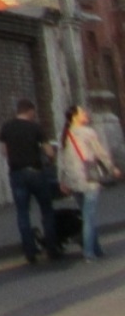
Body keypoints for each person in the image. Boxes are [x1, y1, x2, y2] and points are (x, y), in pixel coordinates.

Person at [0, 98, 59, 263]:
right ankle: (52, 249)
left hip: (17, 174)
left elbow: (4, 151)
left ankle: (30, 251)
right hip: (35, 173)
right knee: (46, 210)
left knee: (23, 213)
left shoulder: (7, 127)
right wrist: (47, 155)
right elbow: (49, 152)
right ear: (30, 111)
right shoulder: (35, 128)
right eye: (34, 112)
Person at [56, 104, 117, 261]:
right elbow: (100, 153)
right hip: (89, 179)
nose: (86, 113)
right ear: (75, 116)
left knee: (86, 215)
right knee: (89, 217)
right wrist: (112, 168)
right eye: (82, 112)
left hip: (73, 181)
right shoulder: (88, 132)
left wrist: (62, 181)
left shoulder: (64, 134)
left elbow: (61, 161)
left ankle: (96, 249)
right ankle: (89, 252)